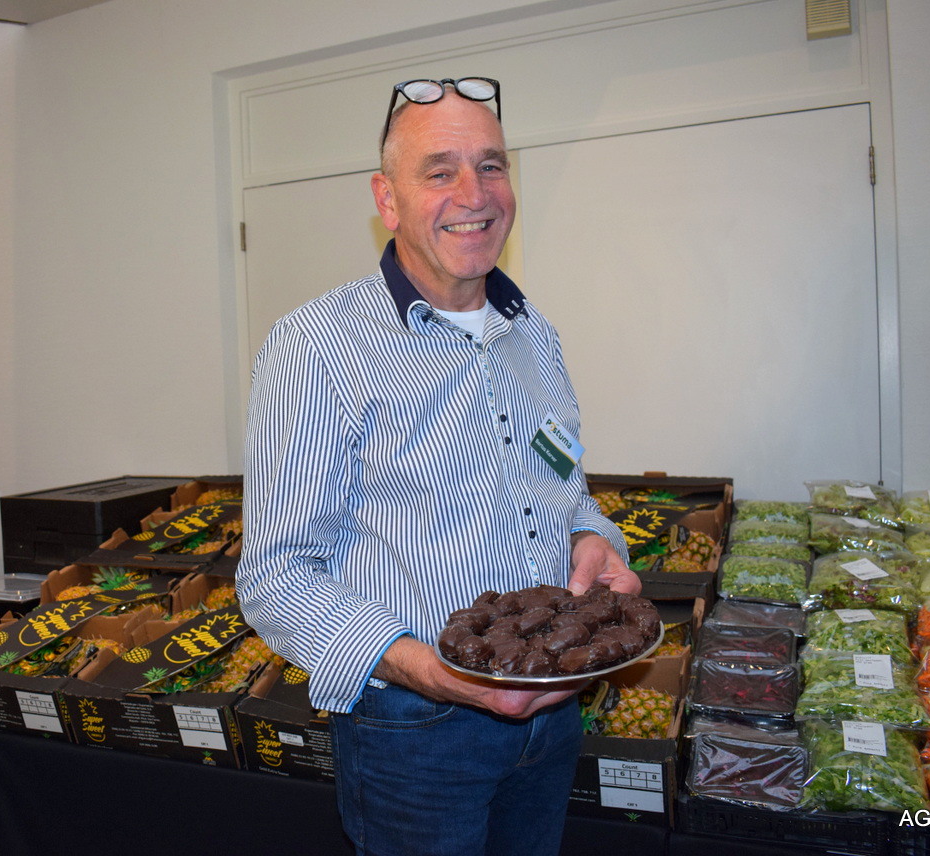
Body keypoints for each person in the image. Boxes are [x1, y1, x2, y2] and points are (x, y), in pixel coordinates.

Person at [237, 76, 640, 856]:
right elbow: (277, 576)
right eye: (440, 171)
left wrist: (596, 541)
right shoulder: (318, 347)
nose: (475, 194)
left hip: (554, 714)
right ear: (387, 200)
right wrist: (430, 670)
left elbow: (567, 493)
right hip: (415, 733)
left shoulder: (535, 338)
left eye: (491, 166)